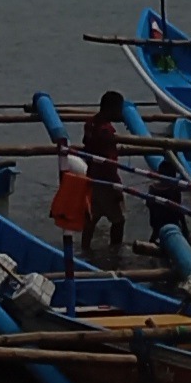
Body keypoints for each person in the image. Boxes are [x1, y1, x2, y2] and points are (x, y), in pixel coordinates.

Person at [76, 90, 129, 265]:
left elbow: (87, 145)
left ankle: (85, 250)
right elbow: (109, 162)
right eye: (119, 110)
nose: (121, 113)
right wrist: (117, 187)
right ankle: (115, 252)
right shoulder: (107, 130)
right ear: (111, 109)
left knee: (92, 218)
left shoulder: (90, 123)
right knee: (119, 220)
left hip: (93, 177)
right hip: (106, 180)